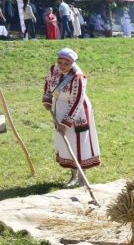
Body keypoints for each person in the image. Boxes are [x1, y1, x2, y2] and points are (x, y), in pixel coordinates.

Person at [42, 48, 101, 187]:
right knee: (65, 142)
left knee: (79, 143)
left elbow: (77, 101)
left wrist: (66, 122)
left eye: (66, 63)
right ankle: (73, 176)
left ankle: (82, 178)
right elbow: (47, 84)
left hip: (77, 111)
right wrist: (47, 99)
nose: (62, 65)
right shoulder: (53, 69)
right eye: (60, 62)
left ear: (72, 63)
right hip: (60, 108)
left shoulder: (78, 77)